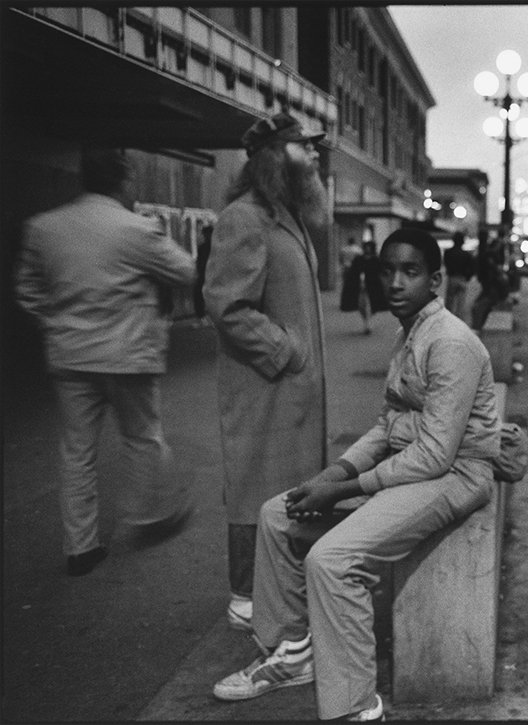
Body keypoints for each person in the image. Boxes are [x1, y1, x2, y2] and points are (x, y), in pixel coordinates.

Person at [211, 228, 500, 721]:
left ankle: (357, 707)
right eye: (387, 271)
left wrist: (343, 489)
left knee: (333, 561)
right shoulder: (408, 332)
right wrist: (329, 478)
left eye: (410, 272)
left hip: (456, 475)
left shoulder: (451, 342)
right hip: (414, 465)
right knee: (278, 514)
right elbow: (388, 427)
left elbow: (435, 455)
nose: (395, 283)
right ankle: (292, 652)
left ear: (434, 281)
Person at [14, 148, 197, 576]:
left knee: (77, 451)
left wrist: (56, 320)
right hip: (128, 356)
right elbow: (186, 272)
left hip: (70, 358)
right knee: (143, 437)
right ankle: (151, 514)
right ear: (123, 181)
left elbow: (27, 290)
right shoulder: (136, 229)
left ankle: (80, 547)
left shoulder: (43, 227)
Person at [202, 112, 330, 633]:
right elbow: (227, 305)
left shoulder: (284, 216)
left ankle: (277, 589)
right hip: (263, 387)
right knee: (256, 487)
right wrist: (286, 350)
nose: (316, 153)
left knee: (286, 487)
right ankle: (247, 596)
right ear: (276, 157)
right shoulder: (245, 218)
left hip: (288, 390)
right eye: (305, 146)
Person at [442, 230, 475, 320]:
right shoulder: (466, 255)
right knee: (460, 304)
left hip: (452, 278)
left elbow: (446, 264)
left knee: (450, 302)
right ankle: (458, 321)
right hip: (462, 278)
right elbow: (471, 267)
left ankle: (448, 321)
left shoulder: (448, 252)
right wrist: (467, 277)